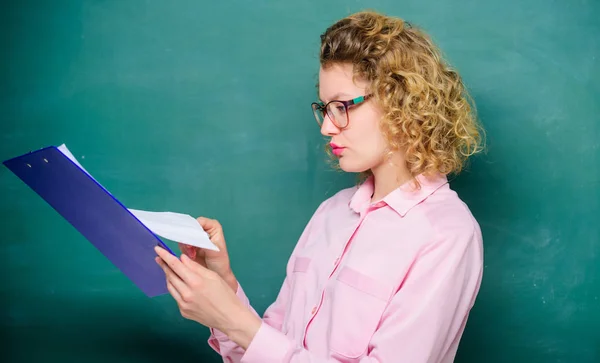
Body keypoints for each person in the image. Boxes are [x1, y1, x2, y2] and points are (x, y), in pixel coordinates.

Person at [154, 10, 485, 363]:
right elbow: (269, 350)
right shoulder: (332, 213)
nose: (327, 127)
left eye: (342, 106)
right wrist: (224, 286)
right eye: (325, 108)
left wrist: (233, 322)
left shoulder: (447, 235)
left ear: (399, 100)